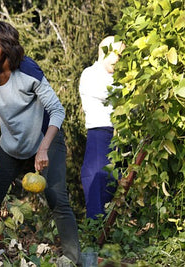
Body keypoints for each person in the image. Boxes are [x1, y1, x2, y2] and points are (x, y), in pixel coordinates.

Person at [0, 21, 81, 266]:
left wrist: (43, 149)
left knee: (56, 199)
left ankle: (72, 259)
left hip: (45, 141)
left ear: (6, 45)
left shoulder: (28, 71)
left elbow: (57, 111)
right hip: (11, 147)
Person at [79, 36, 125, 219]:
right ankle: (95, 236)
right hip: (100, 134)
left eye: (123, 55)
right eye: (117, 54)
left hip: (122, 139)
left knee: (121, 185)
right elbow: (111, 94)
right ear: (103, 52)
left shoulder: (120, 77)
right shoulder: (90, 74)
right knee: (97, 180)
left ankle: (116, 235)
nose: (120, 59)